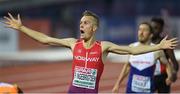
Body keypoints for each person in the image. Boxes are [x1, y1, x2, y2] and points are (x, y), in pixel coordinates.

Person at [3, 11, 177, 93]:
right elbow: (45, 39)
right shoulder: (73, 43)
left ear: (94, 28)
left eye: (85, 23)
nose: (81, 25)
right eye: (80, 22)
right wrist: (21, 27)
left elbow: (131, 50)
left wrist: (158, 46)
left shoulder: (103, 47)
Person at [112, 22, 173, 93]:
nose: (141, 32)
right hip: (131, 90)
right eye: (140, 29)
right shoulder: (132, 47)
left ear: (151, 35)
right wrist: (117, 84)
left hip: (147, 90)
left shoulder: (157, 50)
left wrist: (169, 76)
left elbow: (167, 64)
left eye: (145, 30)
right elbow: (127, 67)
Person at [151, 17, 179, 93]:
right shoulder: (145, 43)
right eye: (151, 27)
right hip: (148, 76)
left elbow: (174, 62)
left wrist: (173, 74)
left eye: (156, 28)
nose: (153, 30)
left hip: (162, 78)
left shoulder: (165, 44)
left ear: (161, 29)